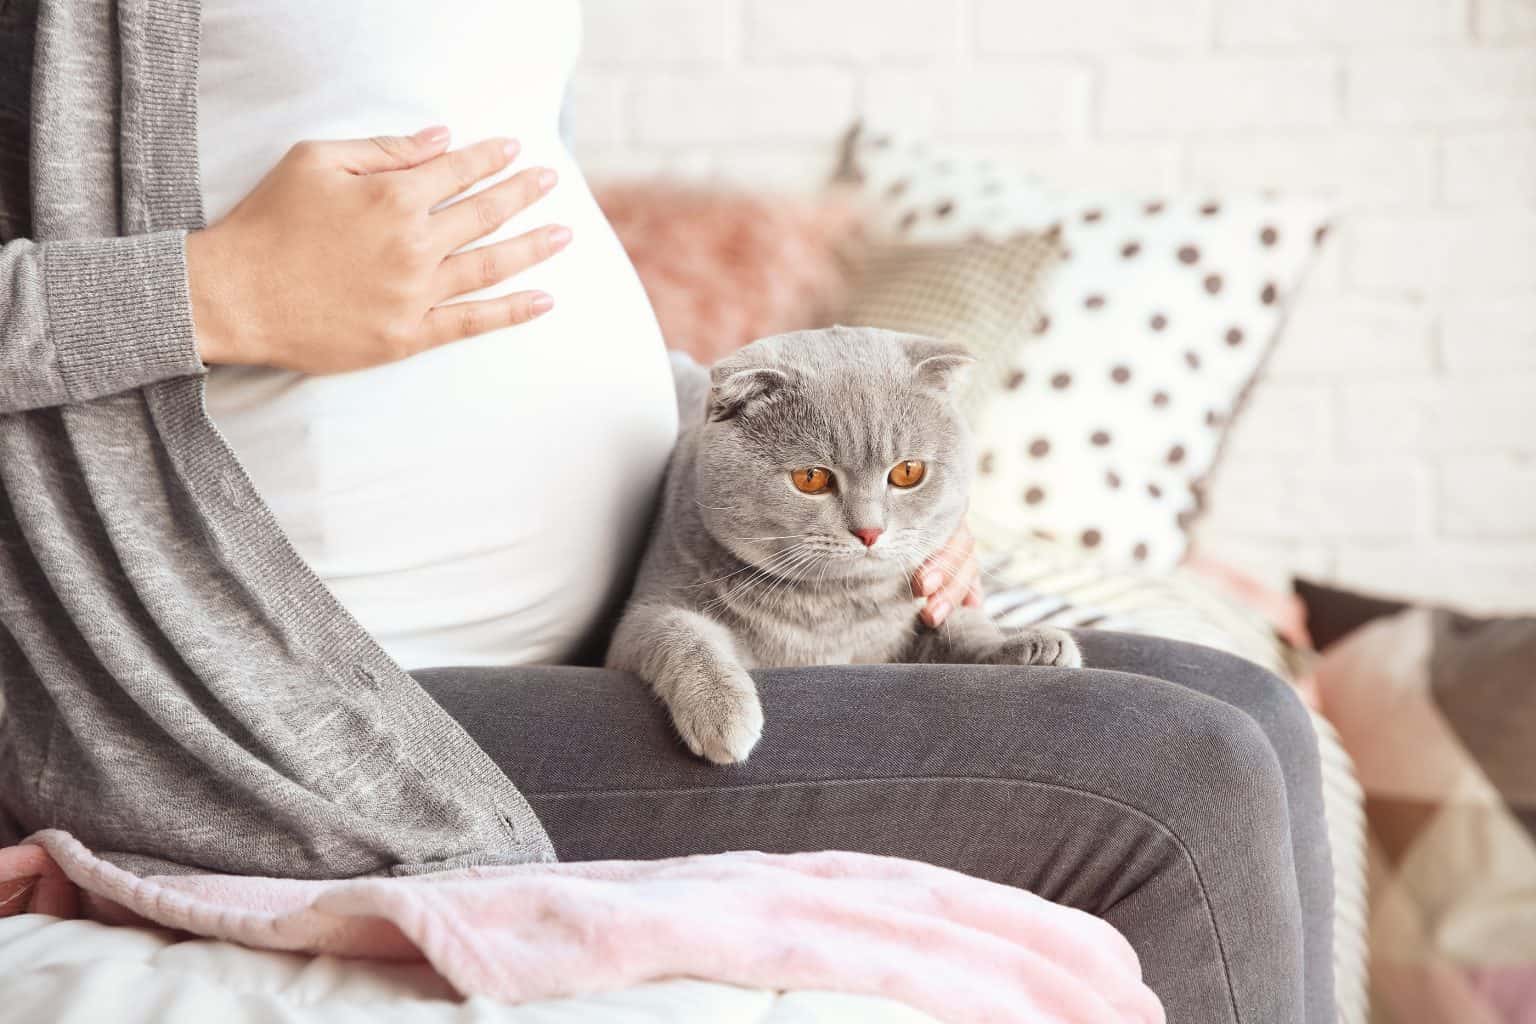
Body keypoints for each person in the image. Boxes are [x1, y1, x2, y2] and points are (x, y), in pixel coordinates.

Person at [0, 2, 1333, 1019]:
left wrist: (852, 488)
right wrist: (216, 293)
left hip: (636, 596)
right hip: (313, 698)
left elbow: (511, 266)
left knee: (1258, 712)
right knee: (1179, 781)